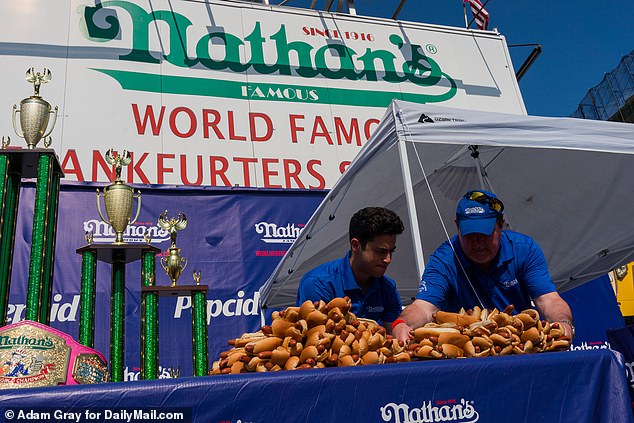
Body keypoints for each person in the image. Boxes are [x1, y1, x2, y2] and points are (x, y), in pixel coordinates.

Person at [392, 189, 574, 344]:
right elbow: (424, 307)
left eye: (484, 235)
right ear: (457, 226)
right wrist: (401, 324)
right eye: (470, 236)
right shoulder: (444, 259)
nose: (478, 244)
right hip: (464, 352)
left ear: (500, 225)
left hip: (519, 342)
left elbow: (548, 300)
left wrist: (562, 323)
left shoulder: (524, 250)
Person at [296, 207, 405, 331]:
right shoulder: (318, 283)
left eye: (392, 252)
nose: (388, 259)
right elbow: (316, 338)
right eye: (381, 251)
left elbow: (395, 336)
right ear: (356, 246)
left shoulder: (388, 286)